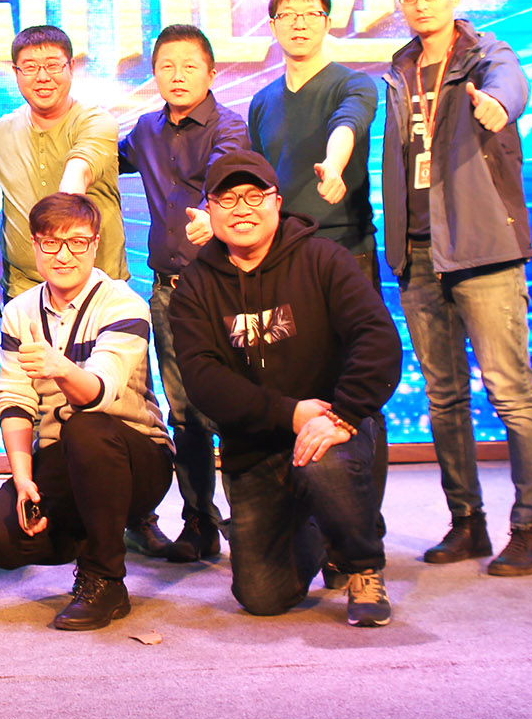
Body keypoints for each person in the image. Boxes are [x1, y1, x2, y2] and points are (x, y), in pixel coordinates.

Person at [171, 151, 403, 627]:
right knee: (260, 596)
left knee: (327, 464)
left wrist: (342, 414)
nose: (242, 208)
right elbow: (203, 380)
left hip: (331, 428)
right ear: (209, 210)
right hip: (255, 447)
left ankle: (361, 564)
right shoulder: (194, 285)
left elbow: (377, 340)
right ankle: (320, 528)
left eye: (254, 195)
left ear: (277, 202)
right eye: (227, 199)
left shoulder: (324, 259)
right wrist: (290, 413)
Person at [383, 0, 532, 576]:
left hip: (482, 249)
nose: (421, 4)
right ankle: (467, 522)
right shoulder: (400, 69)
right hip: (419, 252)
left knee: (510, 393)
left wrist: (499, 106)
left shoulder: (486, 55)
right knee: (444, 398)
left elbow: (512, 84)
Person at [0, 194, 173, 631]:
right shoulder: (19, 311)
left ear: (95, 244)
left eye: (78, 242)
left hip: (135, 456)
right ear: (34, 245)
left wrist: (60, 367)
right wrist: (23, 479)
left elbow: (100, 391)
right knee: (1, 541)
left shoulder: (123, 304)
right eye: (51, 243)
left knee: (86, 428)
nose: (64, 255)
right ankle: (94, 531)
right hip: (65, 457)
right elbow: (14, 399)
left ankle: (105, 578)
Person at [117, 24, 249, 565]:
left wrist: (212, 216)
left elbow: (229, 179)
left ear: (212, 73)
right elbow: (106, 158)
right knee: (184, 412)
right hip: (169, 291)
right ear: (154, 73)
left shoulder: (229, 126)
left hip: (224, 290)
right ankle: (199, 521)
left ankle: (253, 519)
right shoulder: (145, 130)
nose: (177, 76)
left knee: (237, 408)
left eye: (190, 66)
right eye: (166, 66)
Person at [248, 0, 381, 286]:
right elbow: (261, 176)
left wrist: (333, 165)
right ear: (273, 26)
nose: (300, 24)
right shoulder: (262, 101)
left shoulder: (353, 84)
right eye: (288, 15)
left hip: (348, 248)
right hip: (283, 251)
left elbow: (348, 122)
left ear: (327, 23)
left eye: (311, 14)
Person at [0, 25, 126, 300]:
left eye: (52, 65)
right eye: (30, 67)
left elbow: (79, 169)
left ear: (71, 67)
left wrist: (62, 226)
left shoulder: (97, 122)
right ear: (15, 72)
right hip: (24, 292)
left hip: (96, 291)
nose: (42, 77)